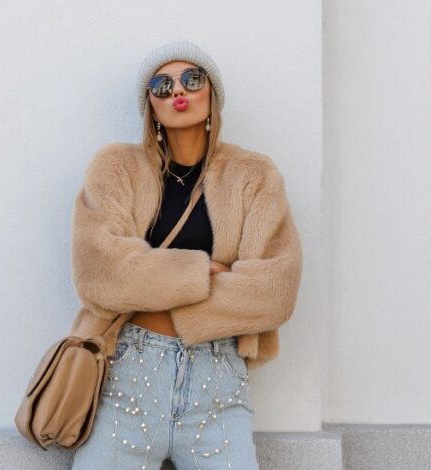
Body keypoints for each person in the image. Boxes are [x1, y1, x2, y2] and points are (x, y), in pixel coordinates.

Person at [68, 39, 303, 470]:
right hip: (129, 379)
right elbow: (100, 275)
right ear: (150, 105)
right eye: (162, 85)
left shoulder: (255, 176)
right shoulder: (115, 168)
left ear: (212, 93)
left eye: (192, 79)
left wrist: (151, 276)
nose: (178, 91)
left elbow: (274, 292)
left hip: (218, 384)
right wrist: (206, 272)